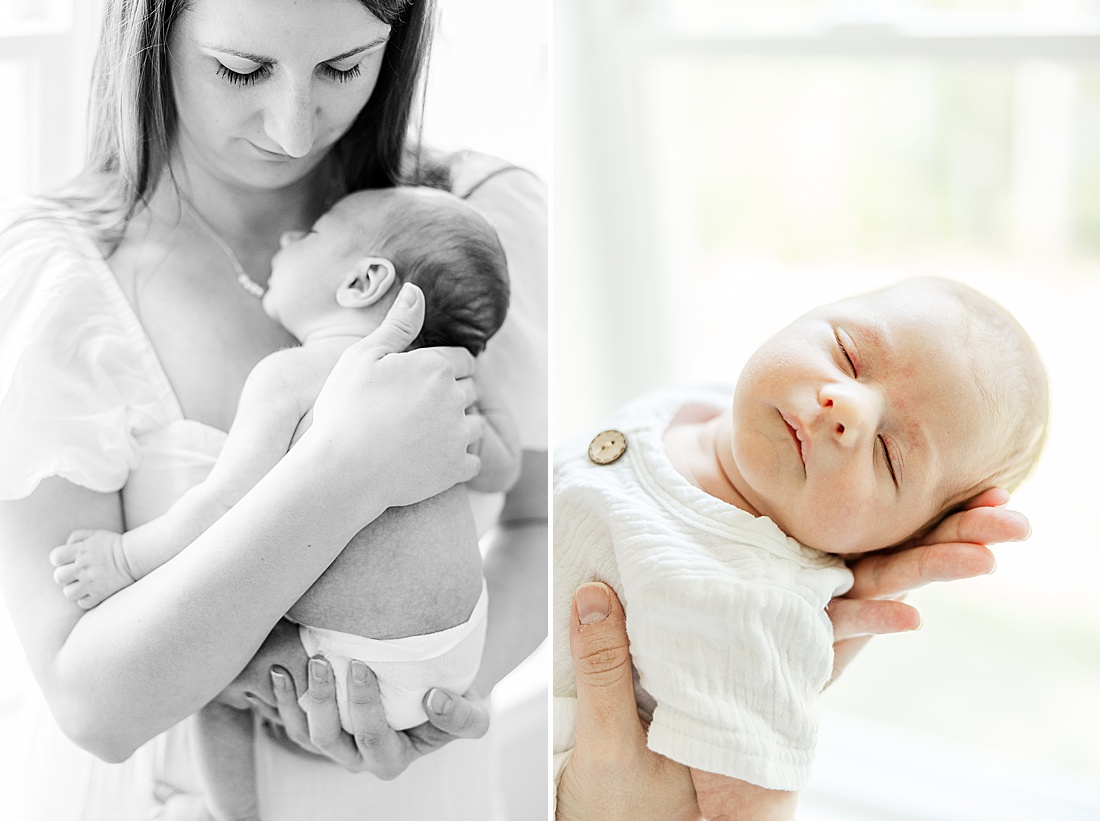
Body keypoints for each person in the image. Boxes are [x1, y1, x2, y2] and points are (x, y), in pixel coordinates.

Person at [0, 1, 547, 819]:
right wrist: (347, 473)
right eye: (242, 70)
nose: (294, 131)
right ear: (151, 33)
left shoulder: (467, 232)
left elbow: (542, 519)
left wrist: (443, 695)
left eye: (343, 66)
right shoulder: (55, 279)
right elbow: (95, 703)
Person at [46, 186, 518, 821]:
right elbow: (502, 470)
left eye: (314, 233)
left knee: (211, 678)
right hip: (459, 662)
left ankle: (233, 813)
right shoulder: (435, 391)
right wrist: (492, 402)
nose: (292, 239)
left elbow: (221, 509)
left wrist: (123, 559)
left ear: (363, 280)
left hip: (360, 667)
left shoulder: (288, 375)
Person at [552, 278, 1047, 820]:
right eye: (848, 353)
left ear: (887, 544)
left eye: (887, 453)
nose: (847, 405)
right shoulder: (701, 404)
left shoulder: (757, 609)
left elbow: (752, 809)